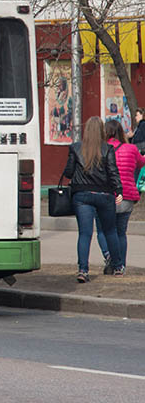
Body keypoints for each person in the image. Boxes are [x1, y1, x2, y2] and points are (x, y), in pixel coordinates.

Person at [64, 116, 124, 282]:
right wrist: (118, 191)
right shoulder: (107, 148)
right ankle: (118, 266)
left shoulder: (75, 148)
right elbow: (113, 172)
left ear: (86, 131)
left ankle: (83, 270)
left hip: (82, 196)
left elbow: (68, 172)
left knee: (85, 234)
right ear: (101, 131)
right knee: (110, 231)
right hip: (104, 195)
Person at [98, 119, 145, 275]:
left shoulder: (101, 149)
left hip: (107, 195)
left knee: (104, 231)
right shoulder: (131, 149)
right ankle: (120, 265)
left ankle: (110, 256)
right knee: (120, 232)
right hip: (127, 195)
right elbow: (141, 163)